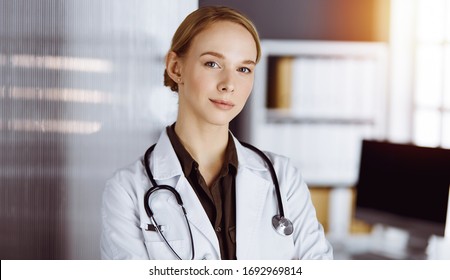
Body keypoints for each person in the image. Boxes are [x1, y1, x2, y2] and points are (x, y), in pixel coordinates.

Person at [101, 5, 333, 260]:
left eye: (243, 69)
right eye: (212, 63)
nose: (229, 85)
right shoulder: (128, 190)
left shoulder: (284, 178)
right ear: (176, 68)